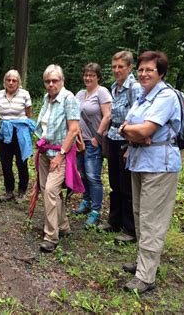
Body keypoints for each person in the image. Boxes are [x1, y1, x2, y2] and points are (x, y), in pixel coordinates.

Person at [118, 51, 182, 294]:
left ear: (161, 73)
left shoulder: (165, 96)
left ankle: (146, 276)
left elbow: (145, 130)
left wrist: (135, 131)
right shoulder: (144, 96)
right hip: (138, 160)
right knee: (139, 214)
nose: (143, 74)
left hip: (159, 165)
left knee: (151, 219)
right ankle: (144, 263)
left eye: (149, 70)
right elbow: (128, 126)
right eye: (141, 69)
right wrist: (131, 131)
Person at [35, 64, 83, 253]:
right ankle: (63, 226)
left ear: (62, 81)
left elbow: (73, 129)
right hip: (45, 152)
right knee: (47, 189)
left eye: (55, 80)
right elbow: (45, 126)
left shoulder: (68, 99)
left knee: (51, 192)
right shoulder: (47, 98)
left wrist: (61, 154)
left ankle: (51, 237)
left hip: (60, 153)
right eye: (47, 81)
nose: (51, 84)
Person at [99, 50, 143, 244]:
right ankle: (114, 221)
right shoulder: (114, 87)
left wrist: (130, 144)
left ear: (130, 67)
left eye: (121, 67)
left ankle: (130, 229)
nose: (117, 70)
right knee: (114, 183)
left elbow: (138, 115)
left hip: (127, 140)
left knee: (126, 186)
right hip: (113, 137)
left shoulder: (134, 87)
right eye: (114, 66)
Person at [72, 63, 112, 228]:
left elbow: (108, 115)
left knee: (93, 176)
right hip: (80, 141)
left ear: (98, 77)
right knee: (82, 173)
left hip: (93, 141)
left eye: (92, 75)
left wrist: (97, 137)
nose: (88, 78)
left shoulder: (102, 92)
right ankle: (86, 202)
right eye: (86, 75)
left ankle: (96, 211)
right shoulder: (80, 94)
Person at [0, 69, 34, 202]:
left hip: (20, 132)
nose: (11, 83)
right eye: (8, 80)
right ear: (4, 81)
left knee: (21, 162)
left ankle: (22, 191)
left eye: (14, 80)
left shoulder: (25, 94)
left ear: (18, 82)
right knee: (5, 163)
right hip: (5, 132)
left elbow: (29, 114)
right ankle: (9, 191)